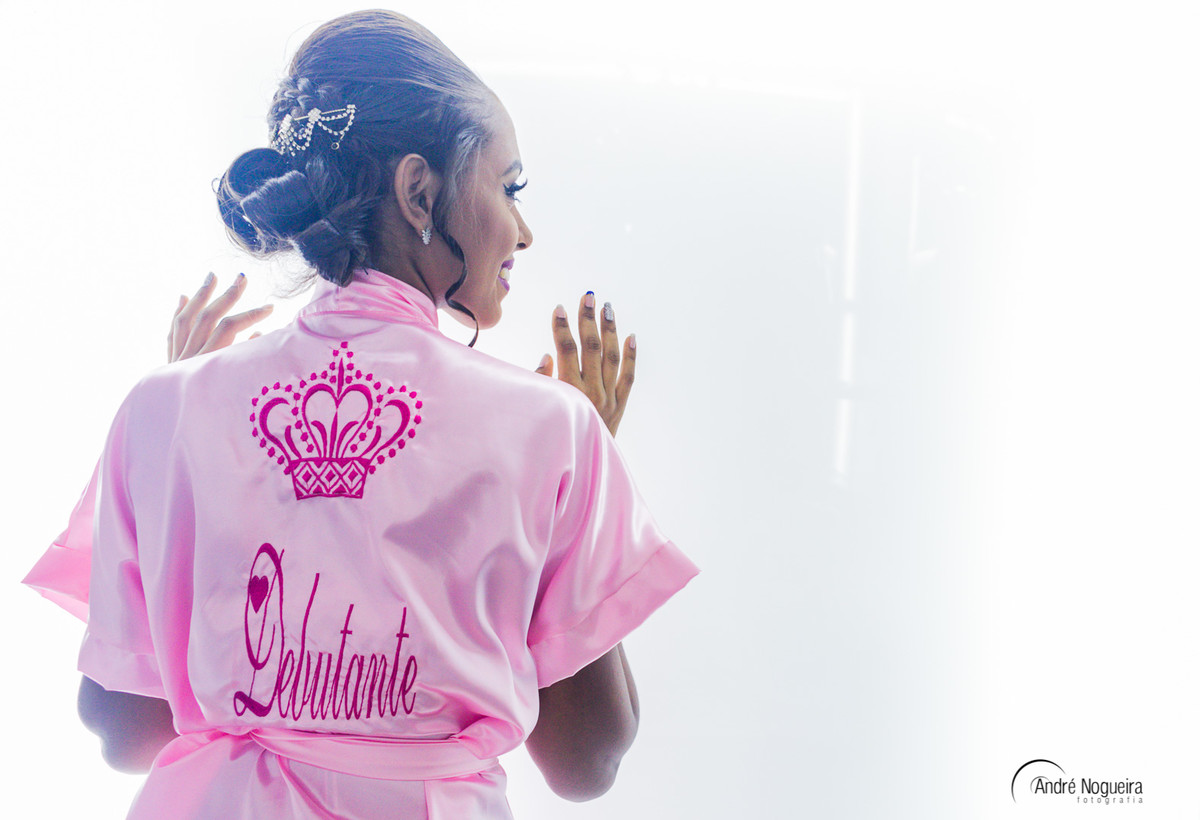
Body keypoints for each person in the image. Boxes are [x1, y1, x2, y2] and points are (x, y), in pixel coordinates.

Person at [22, 9, 698, 819]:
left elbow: (122, 732)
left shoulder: (163, 411)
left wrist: (174, 460)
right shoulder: (551, 427)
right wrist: (589, 474)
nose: (522, 229)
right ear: (420, 191)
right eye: (508, 185)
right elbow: (588, 761)